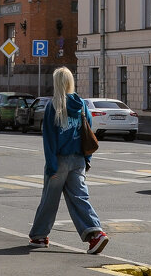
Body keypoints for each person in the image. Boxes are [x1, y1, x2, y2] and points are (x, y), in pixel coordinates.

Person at [27, 66, 108, 254]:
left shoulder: (53, 106)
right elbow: (88, 133)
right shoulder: (81, 105)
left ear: (56, 83)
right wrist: (87, 159)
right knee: (80, 197)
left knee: (49, 199)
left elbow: (49, 139)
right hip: (79, 160)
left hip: (59, 161)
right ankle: (96, 234)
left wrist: (51, 166)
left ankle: (39, 236)